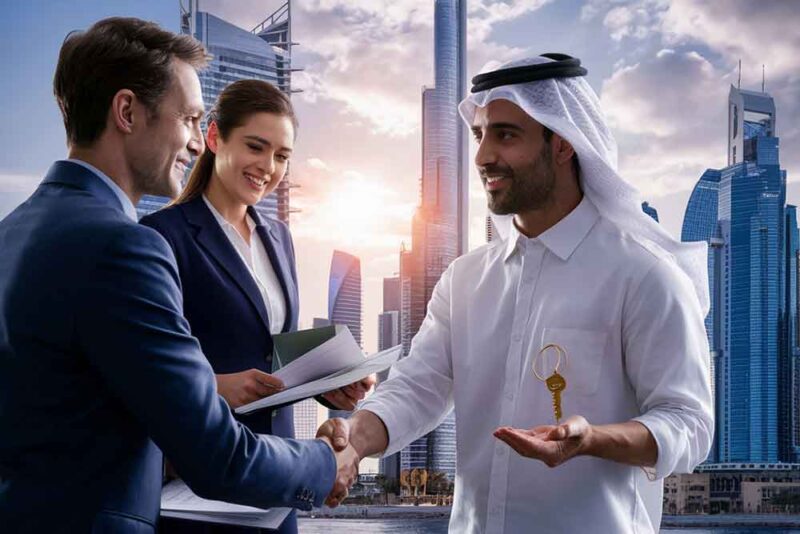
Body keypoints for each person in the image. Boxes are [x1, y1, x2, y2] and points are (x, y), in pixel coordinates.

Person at [318, 54, 714, 532]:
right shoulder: (465, 279)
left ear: (563, 143)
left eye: (505, 135)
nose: (484, 156)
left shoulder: (645, 276)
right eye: (479, 135)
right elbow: (415, 389)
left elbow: (688, 423)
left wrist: (593, 439)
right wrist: (353, 443)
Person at [0, 17, 356, 533]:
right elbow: (217, 456)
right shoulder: (128, 246)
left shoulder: (11, 232)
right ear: (126, 111)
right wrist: (325, 461)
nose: (193, 143)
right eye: (189, 119)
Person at [140, 78, 375, 534]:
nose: (268, 167)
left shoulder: (280, 239)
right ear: (213, 137)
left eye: (282, 156)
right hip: (199, 485)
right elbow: (143, 367)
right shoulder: (161, 236)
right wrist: (215, 385)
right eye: (256, 146)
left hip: (276, 479)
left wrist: (327, 385)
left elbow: (268, 352)